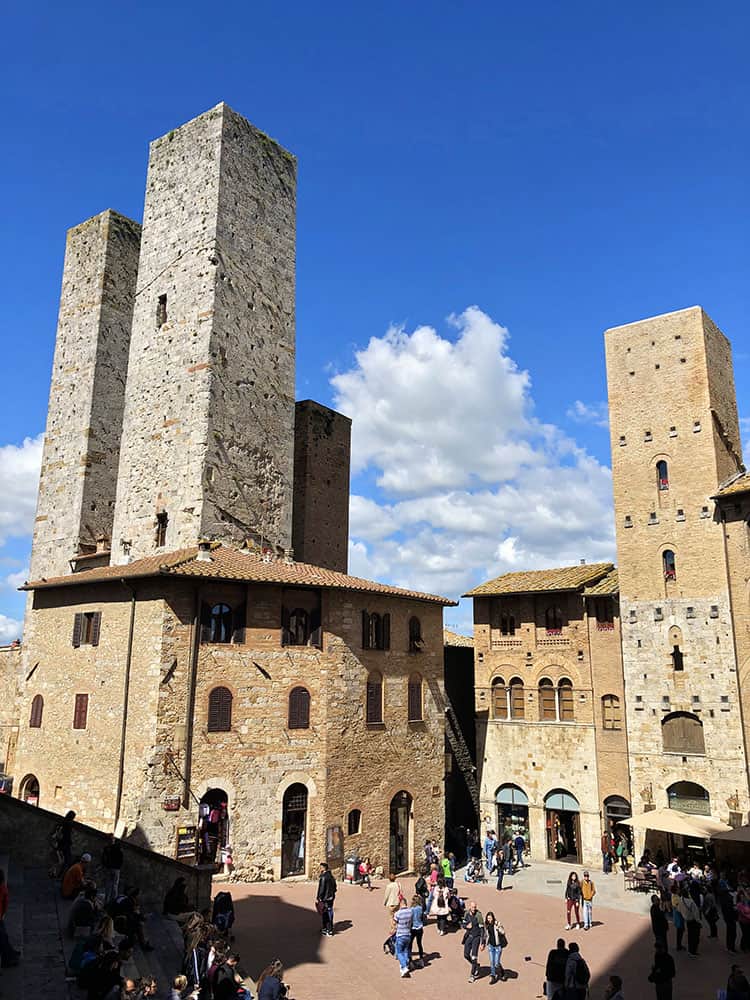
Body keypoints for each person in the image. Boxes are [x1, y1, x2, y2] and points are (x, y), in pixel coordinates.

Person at [0, 869, 20, 968]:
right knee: (3, 936)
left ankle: (10, 953)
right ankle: (8, 958)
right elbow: (5, 905)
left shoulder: (3, 888)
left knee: (4, 935)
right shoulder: (3, 888)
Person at [462, 899, 484, 983]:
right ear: (470, 907)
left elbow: (482, 929)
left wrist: (483, 942)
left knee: (474, 956)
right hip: (469, 937)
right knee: (466, 955)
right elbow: (463, 924)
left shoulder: (479, 915)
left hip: (476, 938)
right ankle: (476, 965)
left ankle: (472, 975)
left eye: (475, 907)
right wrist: (466, 926)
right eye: (472, 907)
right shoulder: (466, 914)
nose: (473, 909)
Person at [481, 910, 506, 984]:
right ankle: (493, 976)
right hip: (491, 946)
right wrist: (483, 944)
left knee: (496, 963)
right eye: (488, 918)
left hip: (498, 946)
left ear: (493, 918)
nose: (489, 919)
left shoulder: (497, 924)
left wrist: (498, 928)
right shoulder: (486, 925)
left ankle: (502, 971)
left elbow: (503, 932)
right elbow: (485, 935)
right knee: (492, 962)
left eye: (490, 918)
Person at [392, 898, 414, 978]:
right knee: (405, 951)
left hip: (400, 935)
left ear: (400, 904)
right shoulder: (410, 911)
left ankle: (404, 966)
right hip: (408, 934)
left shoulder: (398, 913)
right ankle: (405, 965)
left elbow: (395, 923)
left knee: (399, 952)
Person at [101, 834, 123, 906]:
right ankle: (113, 903)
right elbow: (121, 860)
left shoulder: (108, 848)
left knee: (108, 885)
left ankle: (106, 902)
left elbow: (104, 857)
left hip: (109, 868)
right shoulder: (119, 849)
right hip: (116, 869)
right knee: (115, 886)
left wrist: (105, 865)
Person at [678, 887, 701, 956]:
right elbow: (696, 913)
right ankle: (693, 951)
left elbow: (678, 909)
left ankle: (690, 950)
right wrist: (699, 922)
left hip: (687, 921)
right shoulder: (691, 902)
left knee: (690, 936)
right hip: (693, 921)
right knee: (695, 936)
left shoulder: (680, 900)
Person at [316, 862, 336, 937]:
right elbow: (335, 888)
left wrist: (319, 897)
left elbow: (322, 889)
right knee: (330, 912)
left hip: (325, 898)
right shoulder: (331, 876)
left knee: (325, 913)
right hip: (331, 897)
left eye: (321, 867)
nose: (319, 869)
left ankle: (326, 929)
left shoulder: (323, 877)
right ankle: (329, 929)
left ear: (323, 868)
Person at [409, 894, 425, 968]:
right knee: (419, 944)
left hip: (413, 928)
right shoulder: (420, 908)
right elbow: (422, 918)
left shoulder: (411, 909)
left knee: (410, 945)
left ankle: (410, 961)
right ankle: (421, 959)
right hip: (420, 928)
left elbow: (410, 920)